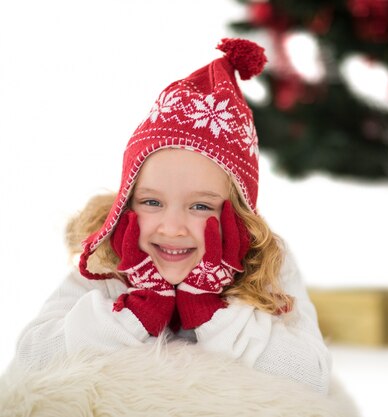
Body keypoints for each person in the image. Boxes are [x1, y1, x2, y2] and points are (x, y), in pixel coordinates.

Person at [12, 38, 331, 394]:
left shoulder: (267, 261)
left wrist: (210, 310)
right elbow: (30, 358)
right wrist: (137, 309)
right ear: (126, 206)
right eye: (151, 203)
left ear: (237, 216)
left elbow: (312, 377)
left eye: (201, 206)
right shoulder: (107, 259)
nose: (172, 228)